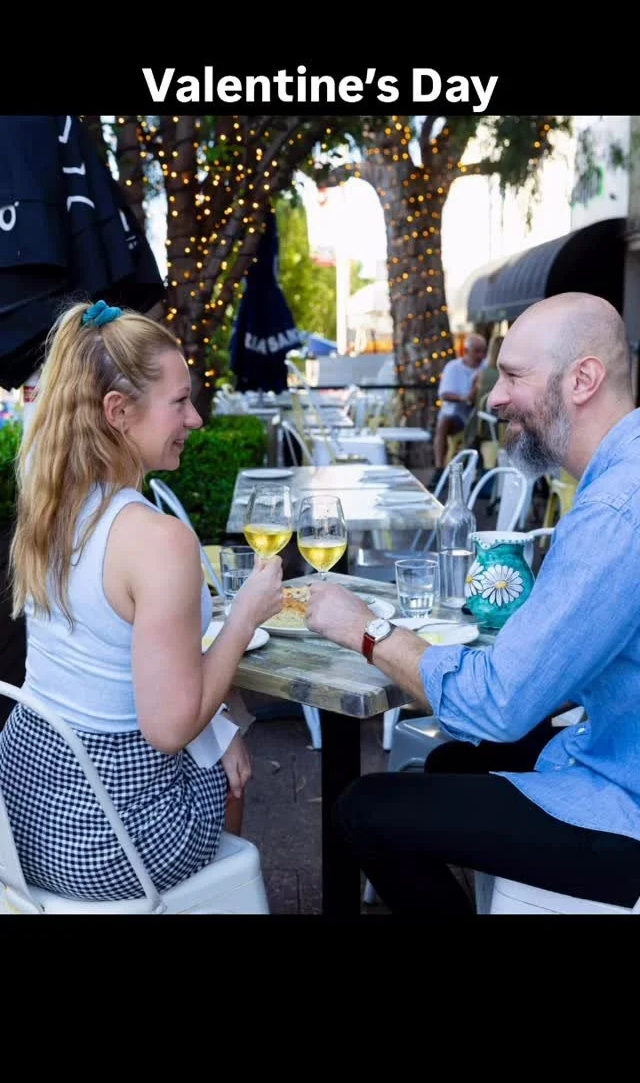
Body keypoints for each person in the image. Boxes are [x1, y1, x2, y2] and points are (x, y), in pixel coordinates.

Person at [306, 291, 640, 915]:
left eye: (513, 376)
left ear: (583, 380)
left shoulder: (616, 511)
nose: (493, 398)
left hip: (627, 806)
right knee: (449, 763)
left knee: (363, 810)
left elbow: (499, 705)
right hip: (614, 741)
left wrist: (367, 629)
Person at [0, 299, 283, 900]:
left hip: (21, 827)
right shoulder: (158, 540)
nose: (195, 419)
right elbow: (170, 728)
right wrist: (245, 614)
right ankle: (208, 904)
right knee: (231, 766)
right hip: (111, 845)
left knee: (220, 738)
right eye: (180, 402)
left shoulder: (51, 510)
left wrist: (218, 728)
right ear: (118, 412)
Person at [433, 333, 487, 477]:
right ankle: (439, 469)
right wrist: (464, 398)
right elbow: (444, 394)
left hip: (480, 415)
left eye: (483, 351)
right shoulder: (453, 367)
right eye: (477, 351)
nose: (481, 355)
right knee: (443, 422)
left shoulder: (486, 367)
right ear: (466, 351)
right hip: (457, 415)